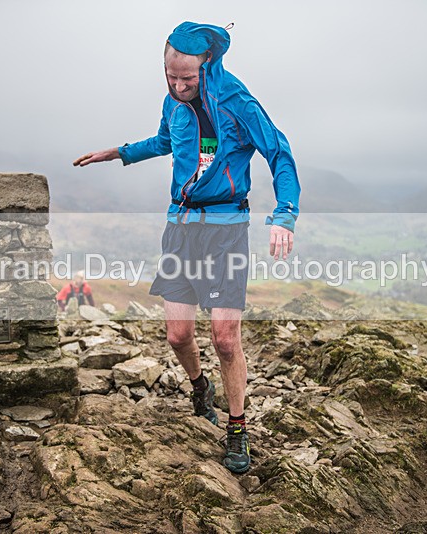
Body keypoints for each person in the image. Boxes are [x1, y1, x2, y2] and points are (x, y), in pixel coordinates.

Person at [73, 21, 300, 474]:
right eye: (170, 76)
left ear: (207, 65)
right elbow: (163, 141)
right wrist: (118, 152)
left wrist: (284, 215)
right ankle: (201, 387)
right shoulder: (173, 101)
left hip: (226, 228)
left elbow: (279, 152)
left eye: (188, 79)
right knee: (177, 336)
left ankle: (237, 429)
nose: (178, 86)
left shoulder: (236, 100)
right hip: (179, 227)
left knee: (224, 338)